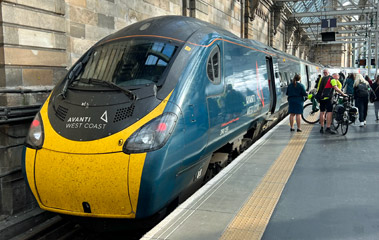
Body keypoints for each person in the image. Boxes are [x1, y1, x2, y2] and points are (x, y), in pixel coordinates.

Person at [317, 69, 347, 134]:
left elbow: (318, 87)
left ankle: (321, 128)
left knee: (322, 112)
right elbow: (336, 88)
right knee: (329, 112)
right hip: (328, 98)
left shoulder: (322, 78)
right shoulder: (332, 79)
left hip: (321, 98)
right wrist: (343, 94)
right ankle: (328, 127)